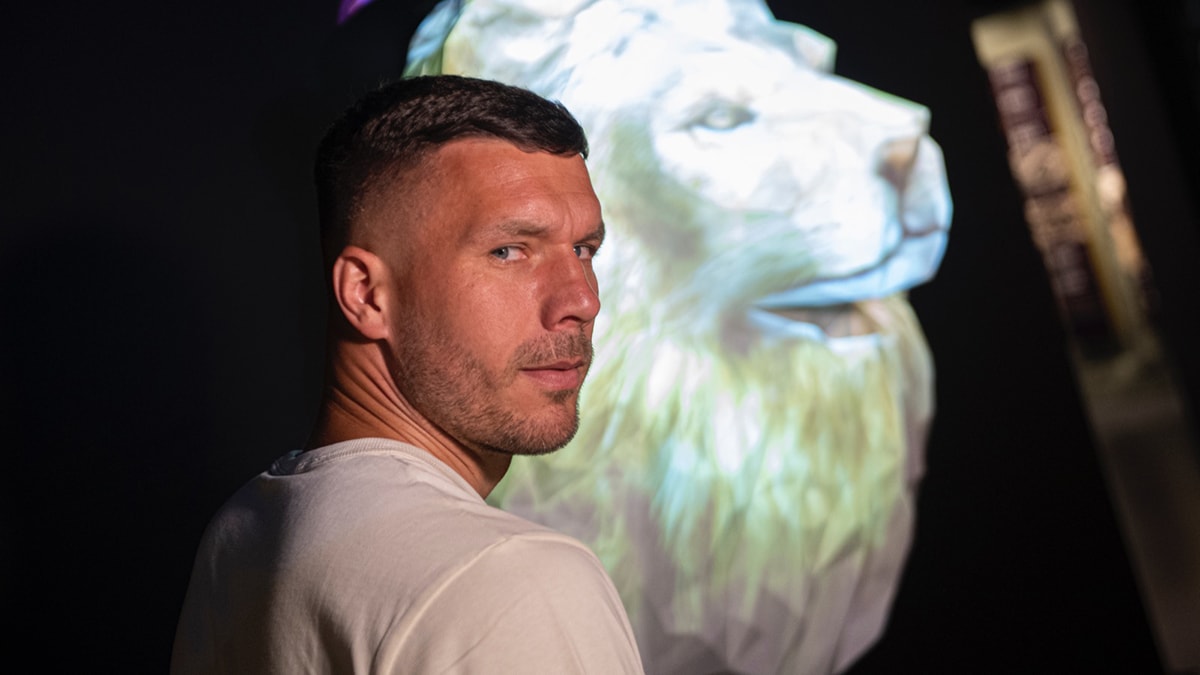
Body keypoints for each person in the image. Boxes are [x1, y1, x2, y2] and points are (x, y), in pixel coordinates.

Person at [170, 75, 644, 674]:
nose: (582, 300)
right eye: (508, 251)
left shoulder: (242, 532)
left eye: (583, 250)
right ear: (366, 294)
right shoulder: (510, 580)